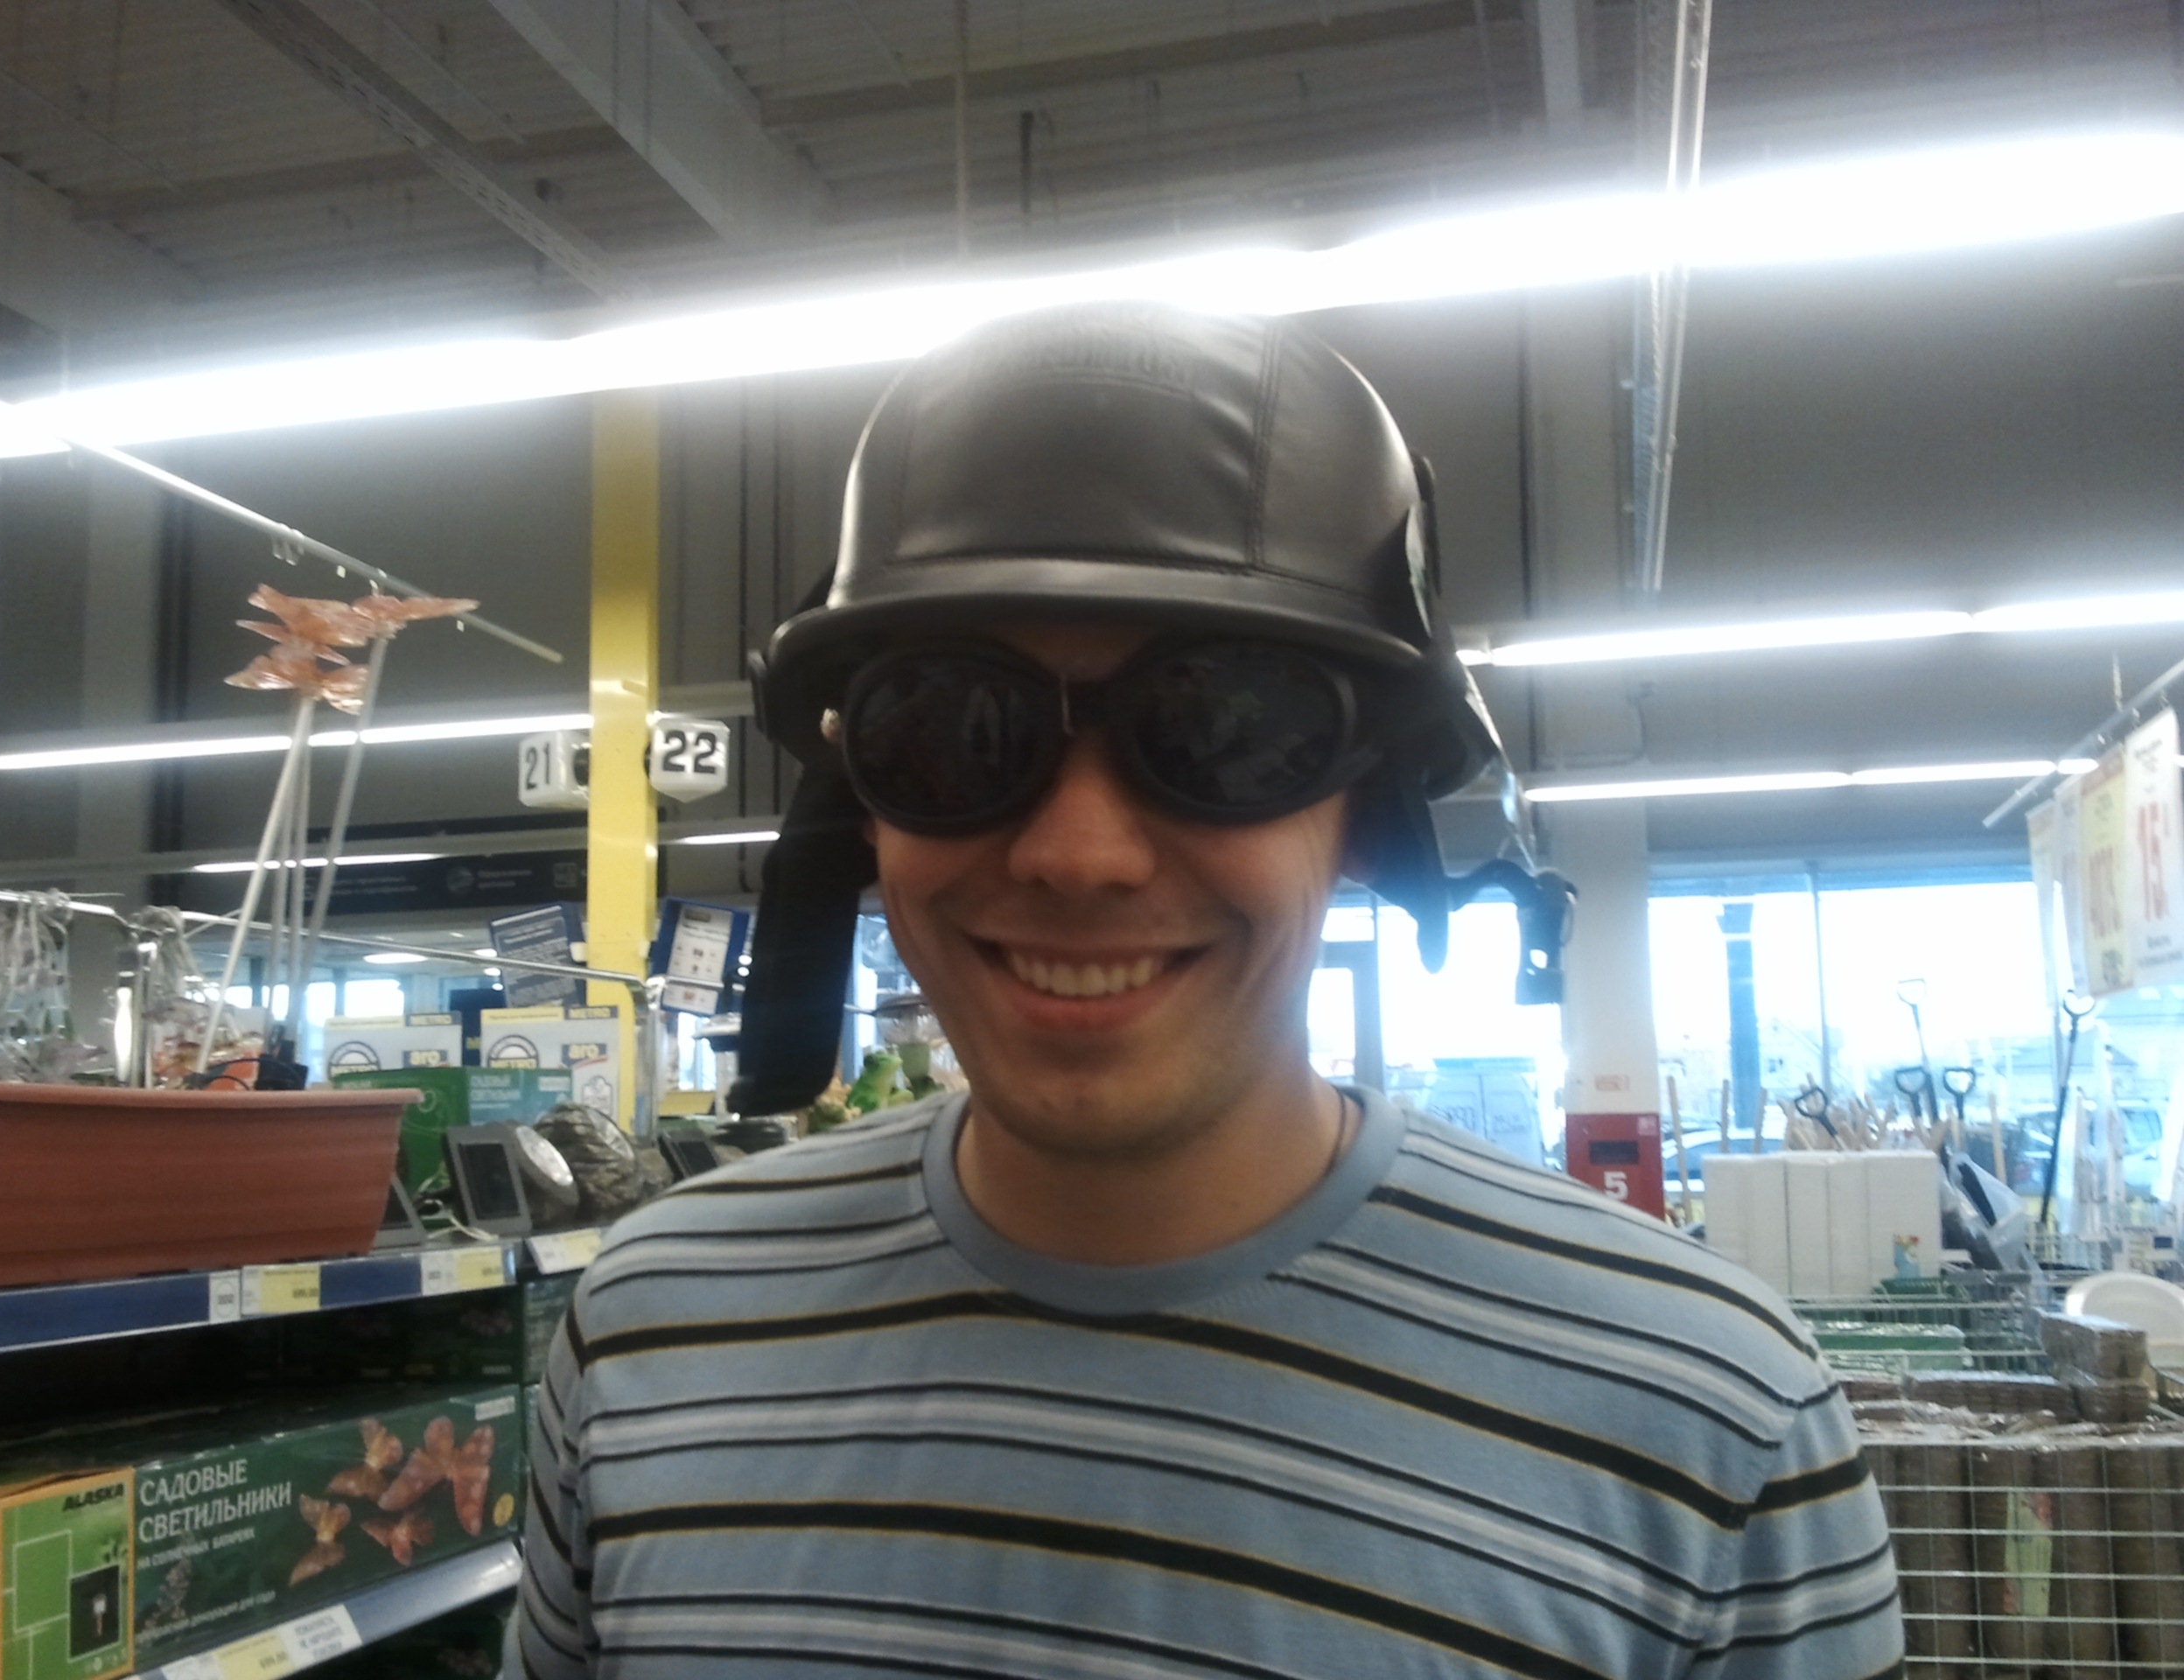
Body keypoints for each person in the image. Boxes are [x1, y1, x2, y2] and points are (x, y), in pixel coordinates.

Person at [508, 304, 1901, 1679]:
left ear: (1367, 811)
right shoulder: (652, 1329)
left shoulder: (1708, 1421)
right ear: (858, 803)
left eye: (1228, 731)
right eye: (953, 731)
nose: (1078, 854)